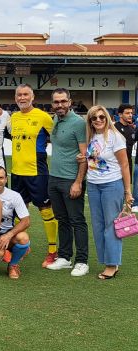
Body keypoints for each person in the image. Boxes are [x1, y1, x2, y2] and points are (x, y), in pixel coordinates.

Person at [8, 83, 59, 268]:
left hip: (37, 172)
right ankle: (19, 246)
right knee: (17, 212)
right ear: (15, 98)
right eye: (19, 95)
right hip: (16, 173)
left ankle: (53, 250)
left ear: (33, 97)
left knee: (45, 209)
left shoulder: (43, 117)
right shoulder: (13, 118)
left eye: (26, 94)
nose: (22, 98)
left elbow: (58, 138)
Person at [82, 106, 133, 279]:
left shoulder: (115, 137)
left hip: (112, 185)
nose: (98, 120)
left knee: (111, 226)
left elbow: (125, 165)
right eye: (94, 117)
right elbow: (92, 160)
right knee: (98, 226)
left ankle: (112, 264)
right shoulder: (90, 137)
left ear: (107, 118)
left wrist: (128, 191)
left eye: (102, 117)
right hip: (93, 185)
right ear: (90, 120)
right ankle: (106, 260)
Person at [45, 88, 89, 277]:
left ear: (70, 102)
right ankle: (64, 257)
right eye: (56, 102)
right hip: (54, 178)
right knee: (62, 220)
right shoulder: (55, 119)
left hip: (71, 179)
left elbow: (84, 155)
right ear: (52, 104)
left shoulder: (78, 123)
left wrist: (78, 182)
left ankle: (82, 261)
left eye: (63, 101)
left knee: (77, 220)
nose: (60, 105)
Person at [0, 166, 31, 279]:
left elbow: (26, 221)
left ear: (6, 179)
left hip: (8, 233)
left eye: (1, 178)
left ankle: (13, 265)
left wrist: (8, 235)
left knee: (24, 238)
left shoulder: (14, 196)